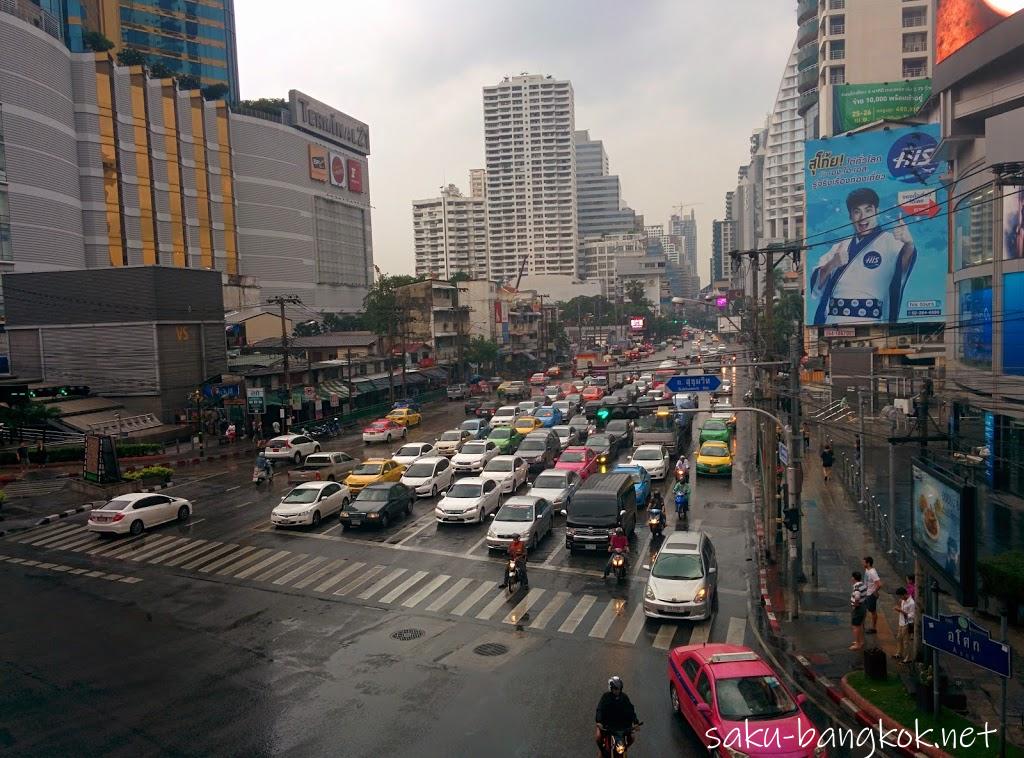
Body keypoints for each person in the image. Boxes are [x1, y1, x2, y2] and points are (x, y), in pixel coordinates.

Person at [809, 187, 917, 325]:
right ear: (850, 216)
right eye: (856, 212)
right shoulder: (839, 247)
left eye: (868, 210)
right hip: (833, 322)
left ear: (877, 211)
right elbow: (816, 284)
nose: (862, 217)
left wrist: (909, 244)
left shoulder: (892, 242)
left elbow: (903, 266)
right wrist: (833, 264)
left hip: (871, 323)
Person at [594, 676, 640, 757]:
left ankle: (625, 748)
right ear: (611, 688)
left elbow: (631, 711)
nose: (617, 691)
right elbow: (600, 709)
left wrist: (636, 722)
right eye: (615, 689)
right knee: (598, 737)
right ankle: (602, 751)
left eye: (619, 688)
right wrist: (599, 722)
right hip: (608, 726)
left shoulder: (624, 698)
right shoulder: (605, 697)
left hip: (622, 727)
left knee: (632, 737)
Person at [893, 586, 916, 664]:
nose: (900, 598)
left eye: (900, 596)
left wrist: (901, 611)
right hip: (901, 622)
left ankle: (908, 658)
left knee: (906, 641)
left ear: (904, 594)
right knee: (899, 638)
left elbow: (912, 616)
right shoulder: (903, 600)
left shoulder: (911, 603)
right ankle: (899, 653)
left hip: (907, 623)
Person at [862, 556, 882, 634]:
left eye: (864, 562)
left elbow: (879, 584)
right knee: (863, 608)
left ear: (868, 563)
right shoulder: (867, 569)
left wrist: (875, 592)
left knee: (872, 611)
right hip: (866, 593)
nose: (863, 563)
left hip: (870, 594)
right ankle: (862, 624)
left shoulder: (872, 572)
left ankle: (874, 628)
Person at [850, 570, 867, 651]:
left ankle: (857, 643)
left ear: (854, 578)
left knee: (855, 626)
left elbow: (857, 597)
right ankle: (861, 641)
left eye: (852, 577)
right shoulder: (862, 584)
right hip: (863, 606)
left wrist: (855, 605)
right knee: (860, 625)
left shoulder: (856, 587)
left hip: (858, 608)